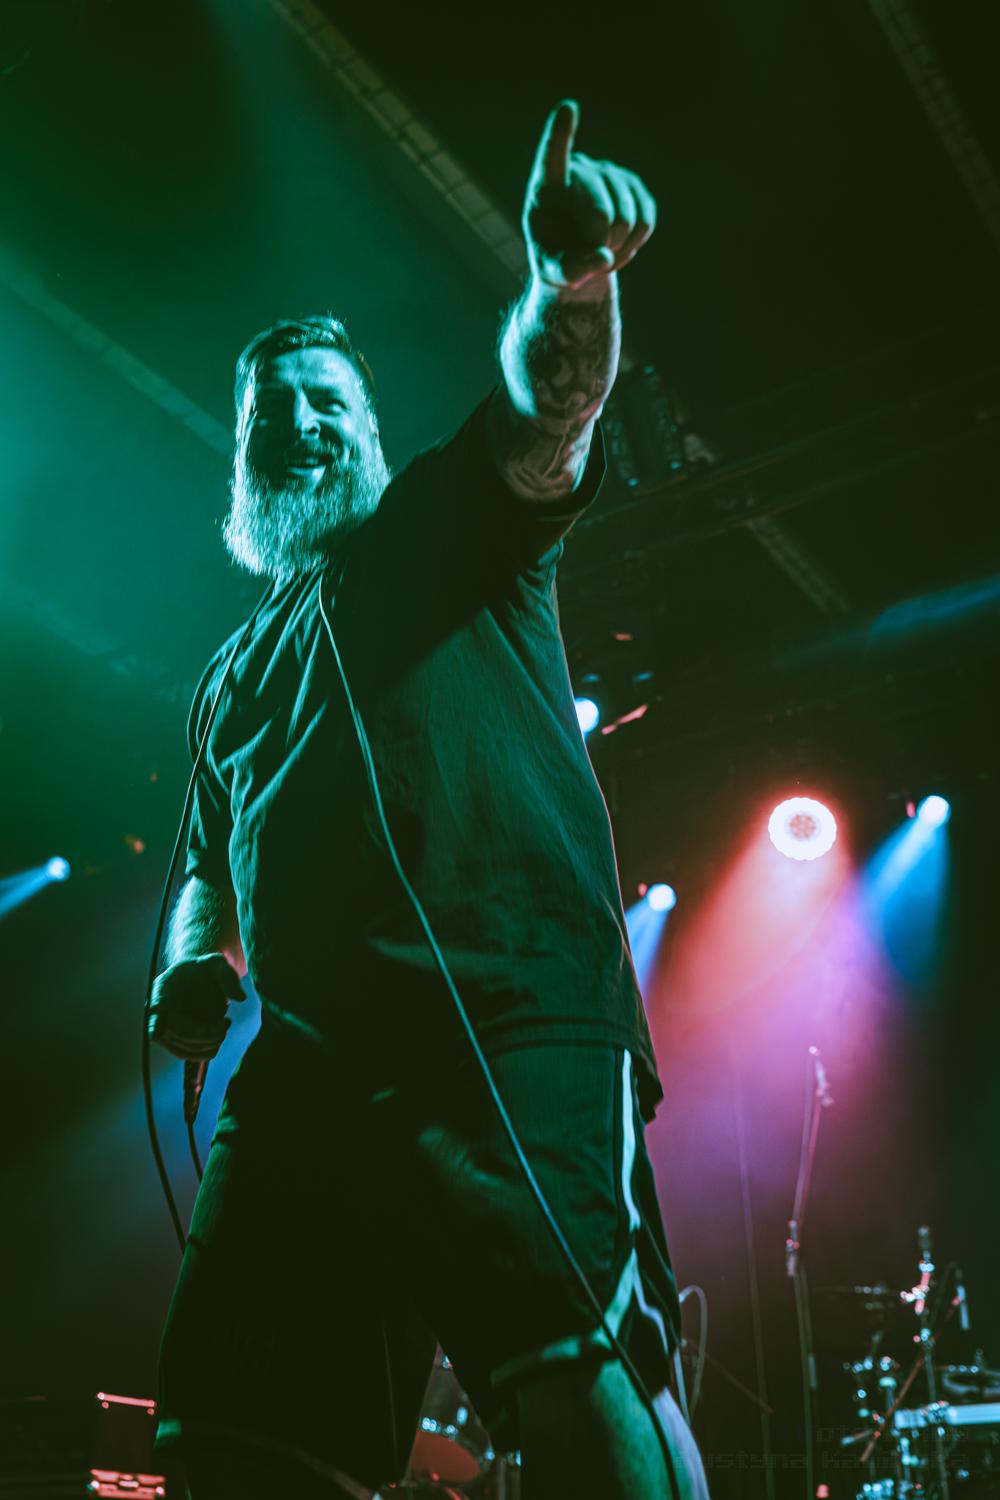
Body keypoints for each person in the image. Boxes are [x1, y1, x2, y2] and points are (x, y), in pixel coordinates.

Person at [149, 99, 709, 1500]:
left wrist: (567, 289)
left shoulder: (445, 526)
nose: (299, 425)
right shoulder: (224, 678)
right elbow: (209, 860)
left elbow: (542, 411)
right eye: (271, 414)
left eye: (327, 404)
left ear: (371, 431)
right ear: (241, 455)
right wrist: (191, 964)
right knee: (228, 1432)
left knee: (575, 1369)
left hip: (502, 1013)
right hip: (310, 1071)